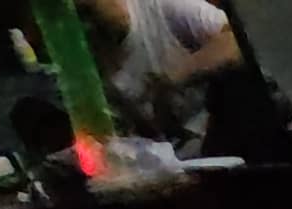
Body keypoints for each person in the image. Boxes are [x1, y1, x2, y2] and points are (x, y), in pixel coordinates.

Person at [75, 0, 242, 145]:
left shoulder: (165, 6)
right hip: (172, 154)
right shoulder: (87, 58)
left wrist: (175, 78)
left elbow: (236, 39)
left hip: (222, 128)